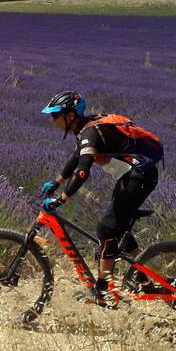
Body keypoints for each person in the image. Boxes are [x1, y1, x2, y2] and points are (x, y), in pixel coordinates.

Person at [39, 90, 163, 305]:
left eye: (55, 116)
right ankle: (146, 282)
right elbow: (75, 158)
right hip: (133, 175)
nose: (52, 121)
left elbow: (83, 170)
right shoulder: (85, 129)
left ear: (70, 116)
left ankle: (104, 289)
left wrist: (63, 197)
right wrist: (57, 182)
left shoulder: (90, 133)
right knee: (118, 228)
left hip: (138, 176)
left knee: (106, 228)